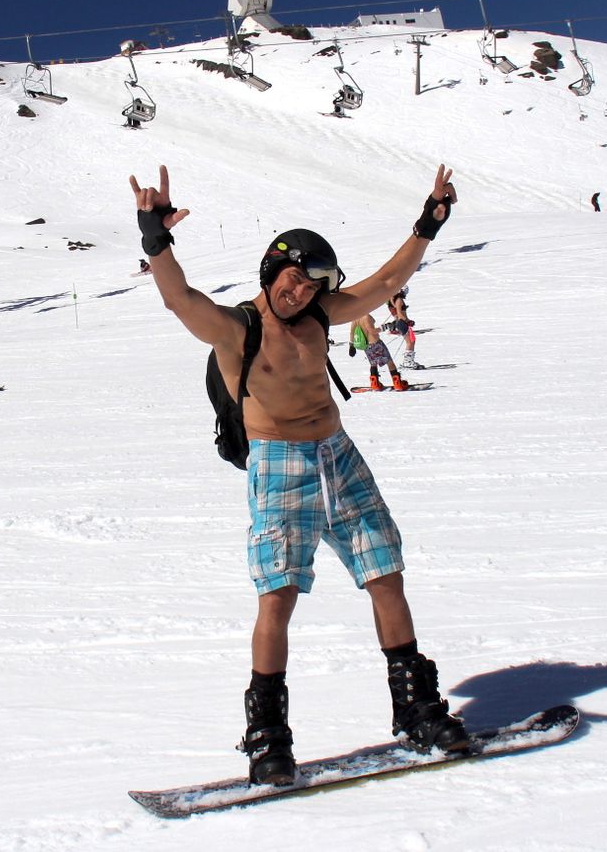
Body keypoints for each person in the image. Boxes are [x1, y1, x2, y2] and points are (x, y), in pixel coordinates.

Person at [130, 162, 468, 787]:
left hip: (338, 453)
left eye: (314, 286)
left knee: (384, 574)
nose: (303, 293)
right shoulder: (237, 329)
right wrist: (156, 237)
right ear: (271, 270)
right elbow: (178, 298)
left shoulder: (320, 315)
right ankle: (268, 738)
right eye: (295, 279)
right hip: (279, 462)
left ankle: (418, 710)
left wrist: (429, 221)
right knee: (278, 595)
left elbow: (389, 278)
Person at [352, 312, 409, 391]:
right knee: (390, 362)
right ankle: (397, 384)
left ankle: (375, 384)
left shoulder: (355, 318)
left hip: (367, 346)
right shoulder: (366, 316)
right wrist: (385, 327)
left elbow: (352, 332)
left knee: (373, 363)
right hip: (376, 343)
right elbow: (372, 331)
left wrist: (351, 345)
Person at [385, 288, 421, 369]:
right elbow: (400, 314)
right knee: (410, 342)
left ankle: (409, 361)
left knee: (412, 340)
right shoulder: (399, 300)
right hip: (402, 323)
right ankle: (407, 362)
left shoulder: (396, 299)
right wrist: (408, 321)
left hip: (402, 322)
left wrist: (408, 321)